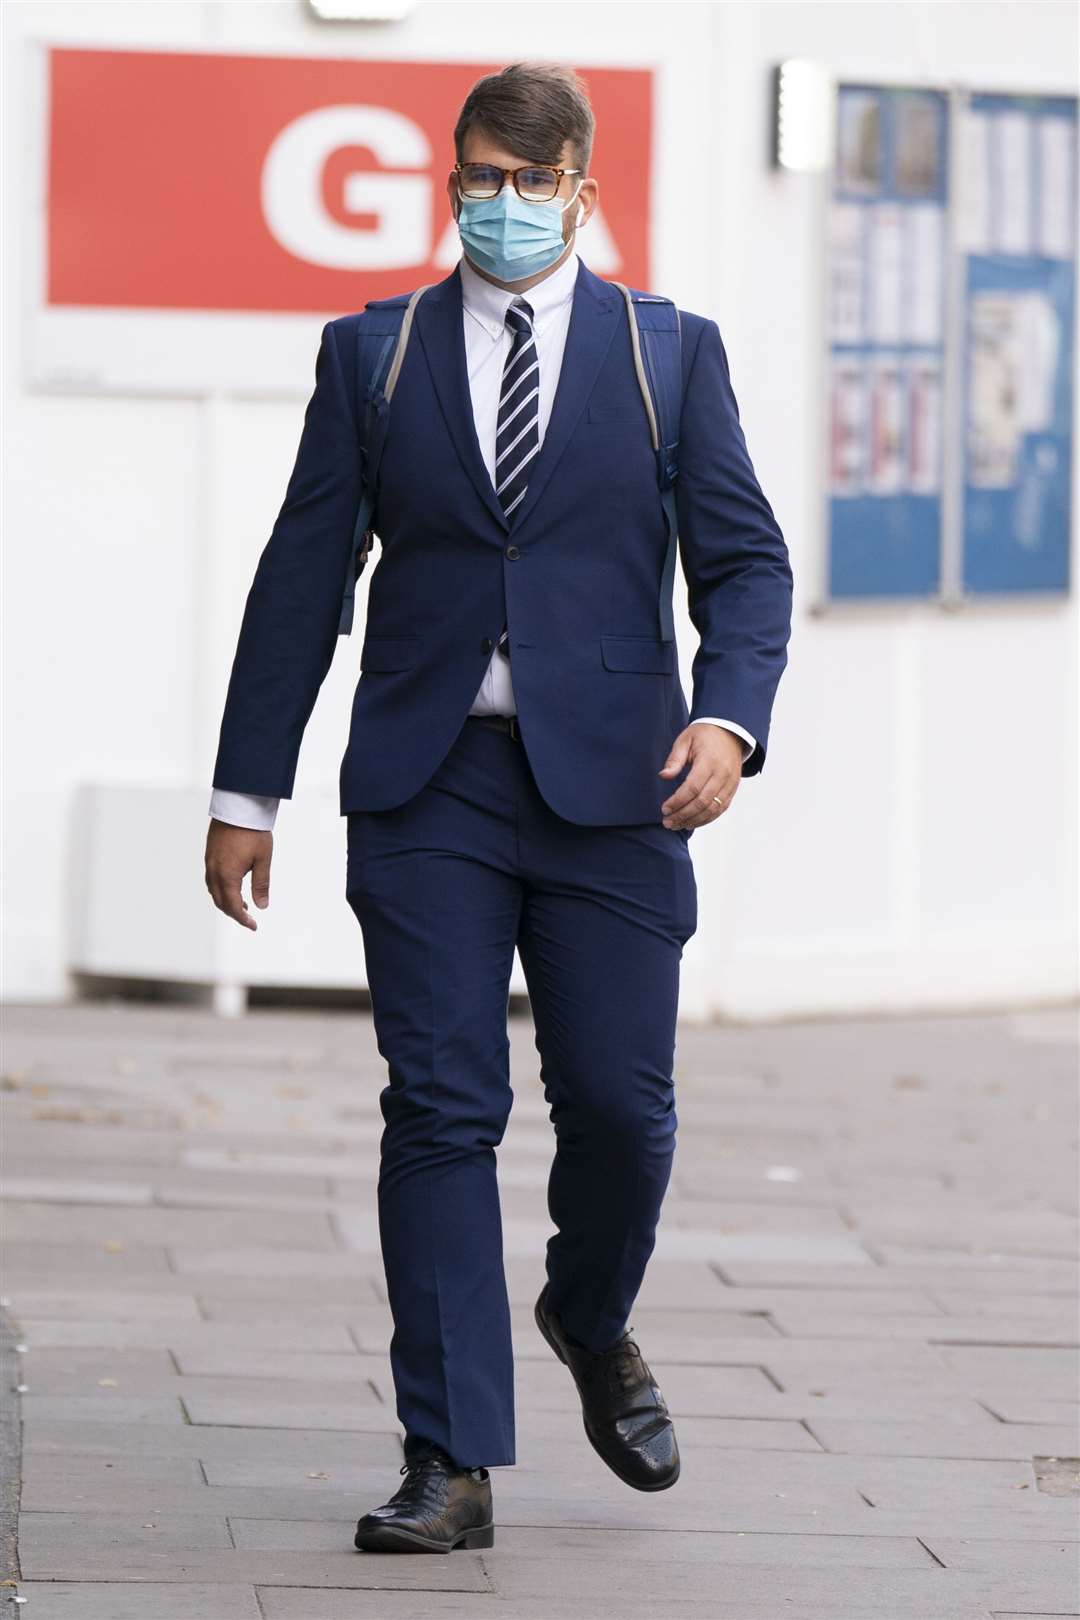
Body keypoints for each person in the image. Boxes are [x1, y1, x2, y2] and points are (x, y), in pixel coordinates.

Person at [205, 61, 792, 1554]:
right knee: (443, 1108)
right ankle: (449, 1455)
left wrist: (728, 718)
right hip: (430, 784)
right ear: (449, 180)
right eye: (482, 176)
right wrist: (245, 788)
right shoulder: (377, 356)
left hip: (621, 793)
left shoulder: (669, 355)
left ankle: (589, 1320)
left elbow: (745, 565)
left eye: (536, 184)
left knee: (619, 1109)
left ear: (585, 193)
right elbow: (299, 579)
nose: (506, 205)